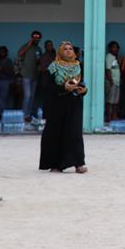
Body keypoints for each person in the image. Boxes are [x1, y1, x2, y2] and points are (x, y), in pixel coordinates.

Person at [39, 42, 87, 173]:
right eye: (65, 49)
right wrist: (63, 87)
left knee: (75, 132)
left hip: (74, 103)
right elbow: (46, 86)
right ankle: (55, 164)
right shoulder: (53, 66)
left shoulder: (78, 66)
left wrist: (83, 90)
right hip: (57, 103)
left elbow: (81, 83)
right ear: (60, 52)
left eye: (70, 49)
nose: (68, 51)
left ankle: (78, 163)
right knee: (56, 132)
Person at [17, 30, 43, 122]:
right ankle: (23, 115)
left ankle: (28, 115)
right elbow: (19, 54)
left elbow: (39, 62)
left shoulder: (39, 49)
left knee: (32, 96)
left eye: (38, 37)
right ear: (31, 37)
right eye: (34, 37)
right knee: (27, 96)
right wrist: (28, 46)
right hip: (26, 75)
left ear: (40, 39)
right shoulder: (25, 46)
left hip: (35, 76)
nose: (36, 39)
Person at [104, 41, 121, 123]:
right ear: (110, 48)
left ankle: (114, 116)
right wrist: (111, 81)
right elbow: (108, 70)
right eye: (114, 47)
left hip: (117, 82)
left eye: (117, 47)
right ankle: (108, 117)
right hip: (112, 82)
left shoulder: (115, 57)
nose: (116, 49)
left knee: (115, 101)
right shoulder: (109, 57)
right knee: (109, 100)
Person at [0, 46, 15, 114]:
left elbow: (11, 71)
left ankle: (1, 113)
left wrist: (1, 69)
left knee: (3, 97)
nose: (1, 53)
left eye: (3, 51)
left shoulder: (9, 61)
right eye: (0, 51)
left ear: (6, 52)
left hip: (5, 81)